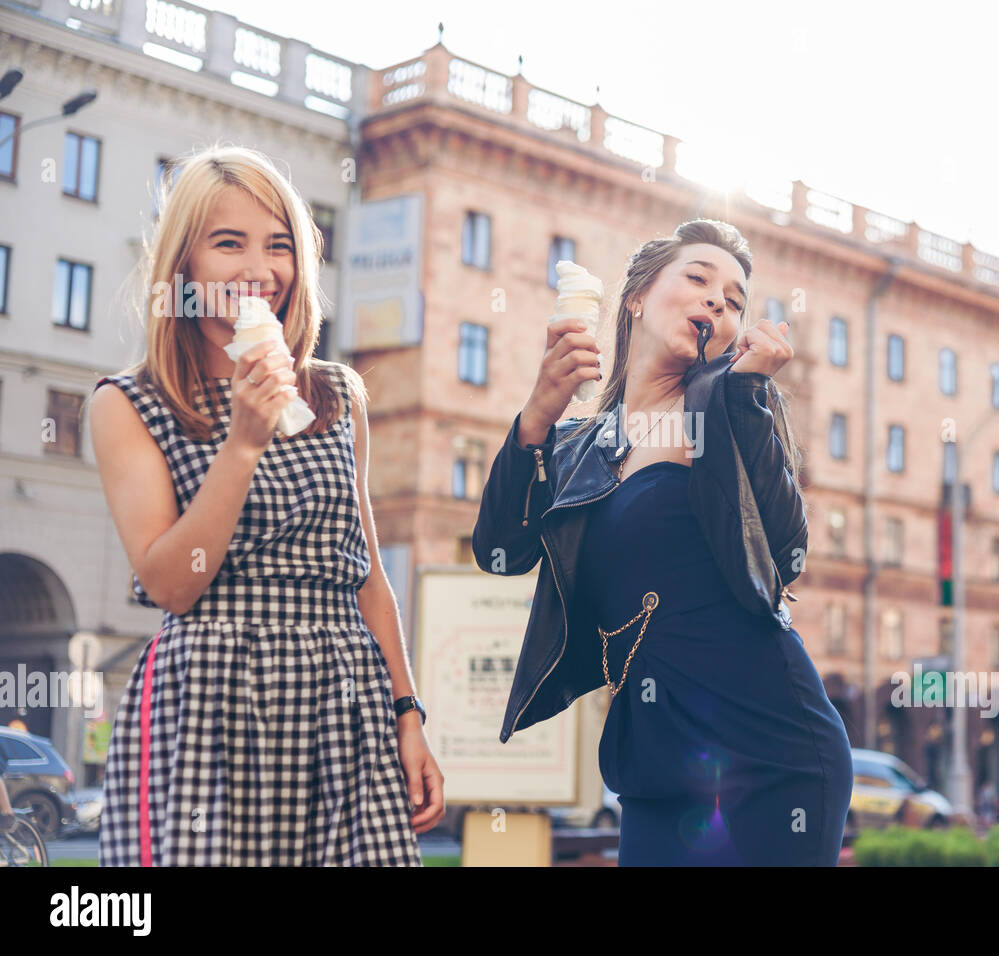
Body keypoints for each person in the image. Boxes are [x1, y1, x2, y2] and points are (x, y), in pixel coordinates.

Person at [88, 145, 443, 865]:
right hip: (209, 703)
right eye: (229, 243)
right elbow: (171, 583)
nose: (260, 268)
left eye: (279, 246)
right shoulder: (129, 403)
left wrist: (407, 712)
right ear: (182, 264)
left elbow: (368, 574)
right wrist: (242, 444)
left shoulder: (336, 394)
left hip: (342, 696)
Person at [473, 219, 852, 865]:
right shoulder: (580, 446)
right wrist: (539, 413)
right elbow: (500, 551)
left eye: (734, 302)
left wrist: (750, 391)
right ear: (637, 298)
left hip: (770, 747)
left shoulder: (728, 406)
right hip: (654, 763)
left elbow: (786, 553)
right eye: (699, 280)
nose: (717, 303)